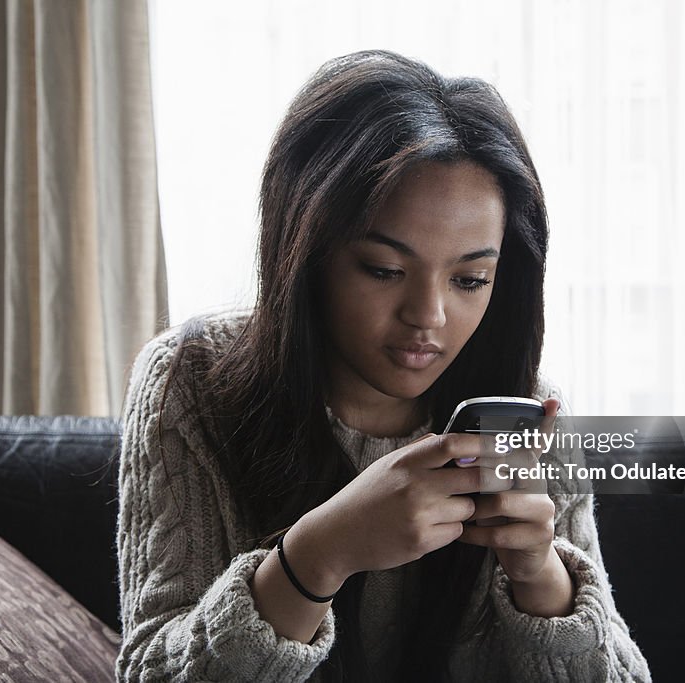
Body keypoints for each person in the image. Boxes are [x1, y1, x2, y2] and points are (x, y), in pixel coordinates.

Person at [115, 50, 650, 682]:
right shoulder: (193, 382)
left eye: (471, 279)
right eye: (385, 270)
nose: (429, 315)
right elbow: (153, 673)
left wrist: (540, 574)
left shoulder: (523, 415)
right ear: (305, 249)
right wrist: (319, 554)